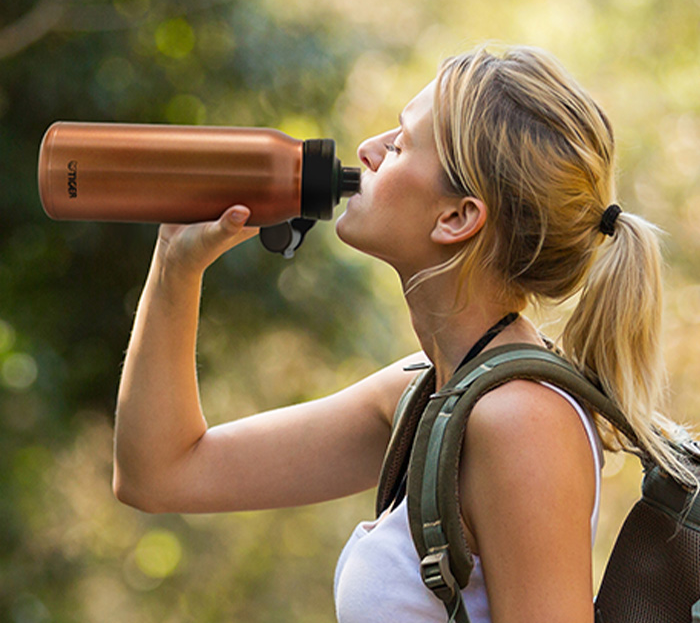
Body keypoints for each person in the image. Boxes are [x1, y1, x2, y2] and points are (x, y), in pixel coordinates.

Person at [112, 44, 694, 623]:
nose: (365, 150)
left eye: (398, 143)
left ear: (457, 217)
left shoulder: (522, 421)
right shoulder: (423, 397)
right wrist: (176, 263)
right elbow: (161, 474)